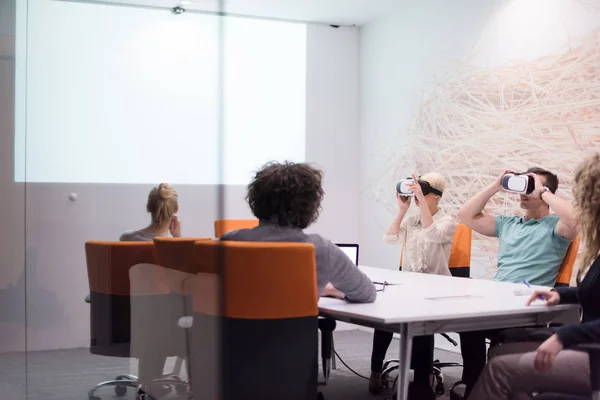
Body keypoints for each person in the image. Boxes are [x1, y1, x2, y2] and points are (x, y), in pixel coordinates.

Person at [468, 152, 600, 399]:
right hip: (507, 299)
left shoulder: (555, 227)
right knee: (494, 353)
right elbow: (466, 216)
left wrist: (566, 335)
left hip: (591, 352)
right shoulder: (509, 223)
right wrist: (559, 293)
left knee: (498, 367)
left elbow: (573, 218)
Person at [221, 161, 376, 303]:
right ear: (310, 206)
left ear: (255, 200)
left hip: (234, 333)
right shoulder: (321, 249)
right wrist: (327, 289)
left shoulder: (230, 241)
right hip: (293, 334)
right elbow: (367, 294)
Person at [369, 173, 458, 399]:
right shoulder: (411, 221)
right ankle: (376, 370)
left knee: (422, 325)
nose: (417, 196)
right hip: (408, 285)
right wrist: (402, 210)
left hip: (436, 290)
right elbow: (389, 239)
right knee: (383, 318)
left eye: (422, 191)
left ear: (436, 196)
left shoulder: (448, 221)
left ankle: (421, 381)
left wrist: (419, 199)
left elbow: (433, 233)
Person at [121, 183, 181, 399]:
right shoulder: (174, 247)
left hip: (128, 318)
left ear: (149, 207)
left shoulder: (126, 239)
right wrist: (178, 240)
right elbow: (182, 284)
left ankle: (148, 379)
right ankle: (153, 381)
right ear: (175, 210)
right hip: (164, 324)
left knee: (154, 312)